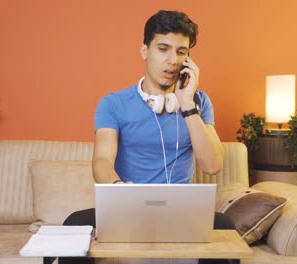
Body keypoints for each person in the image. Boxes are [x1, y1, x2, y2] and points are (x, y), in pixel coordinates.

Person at [59, 10, 237, 264]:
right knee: (73, 224)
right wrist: (119, 190)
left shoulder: (198, 102)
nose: (172, 60)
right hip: (126, 208)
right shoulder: (113, 104)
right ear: (145, 51)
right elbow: (101, 161)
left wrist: (187, 104)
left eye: (181, 51)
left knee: (225, 227)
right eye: (163, 48)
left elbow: (213, 165)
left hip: (180, 211)